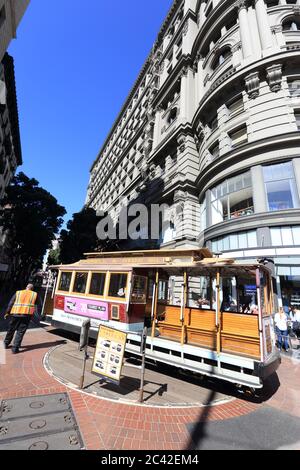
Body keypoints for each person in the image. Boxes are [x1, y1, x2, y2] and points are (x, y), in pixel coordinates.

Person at [3, 284, 39, 354]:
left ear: (26, 287)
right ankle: (15, 348)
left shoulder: (18, 292)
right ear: (32, 289)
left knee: (11, 329)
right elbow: (36, 305)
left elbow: (11, 303)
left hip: (15, 314)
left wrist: (7, 312)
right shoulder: (34, 294)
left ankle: (5, 344)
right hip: (26, 315)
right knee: (20, 332)